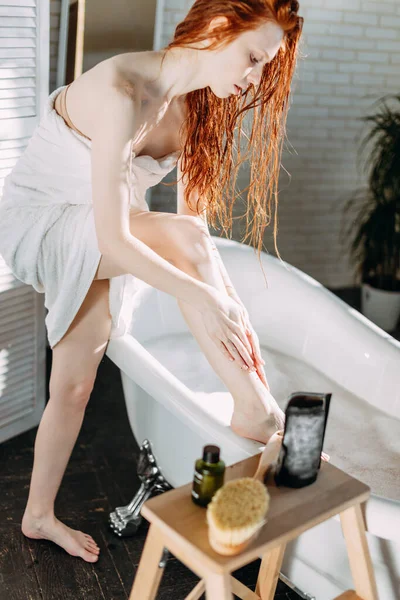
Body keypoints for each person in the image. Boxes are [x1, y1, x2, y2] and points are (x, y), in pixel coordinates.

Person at [0, 0, 325, 564]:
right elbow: (122, 238)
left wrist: (227, 307)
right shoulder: (123, 91)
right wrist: (200, 292)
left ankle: (36, 514)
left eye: (262, 67)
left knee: (75, 385)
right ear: (221, 26)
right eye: (252, 58)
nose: (253, 78)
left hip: (104, 224)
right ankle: (257, 410)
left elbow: (190, 229)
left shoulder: (194, 108)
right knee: (191, 246)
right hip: (45, 221)